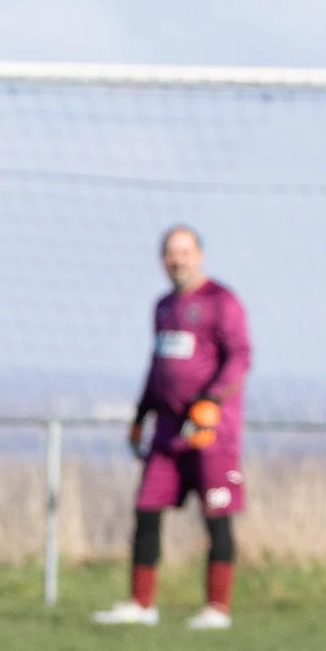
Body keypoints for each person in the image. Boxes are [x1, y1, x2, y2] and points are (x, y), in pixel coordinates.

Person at [95, 225, 252, 630]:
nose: (177, 259)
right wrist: (140, 414)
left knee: (217, 515)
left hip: (210, 432)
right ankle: (141, 604)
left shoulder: (223, 301)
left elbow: (240, 357)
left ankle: (217, 609)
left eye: (184, 251)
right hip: (166, 429)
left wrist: (211, 401)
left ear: (200, 254)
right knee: (146, 509)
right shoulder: (162, 306)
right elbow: (157, 366)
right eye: (170, 252)